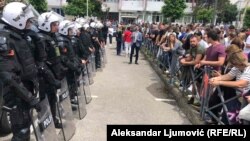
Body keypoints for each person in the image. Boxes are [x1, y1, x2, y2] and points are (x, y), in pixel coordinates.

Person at [0, 2, 41, 140]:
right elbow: (9, 77)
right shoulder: (5, 40)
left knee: (25, 129)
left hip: (25, 92)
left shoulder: (20, 36)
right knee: (21, 133)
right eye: (28, 21)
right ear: (16, 20)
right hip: (17, 94)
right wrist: (29, 98)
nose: (30, 23)